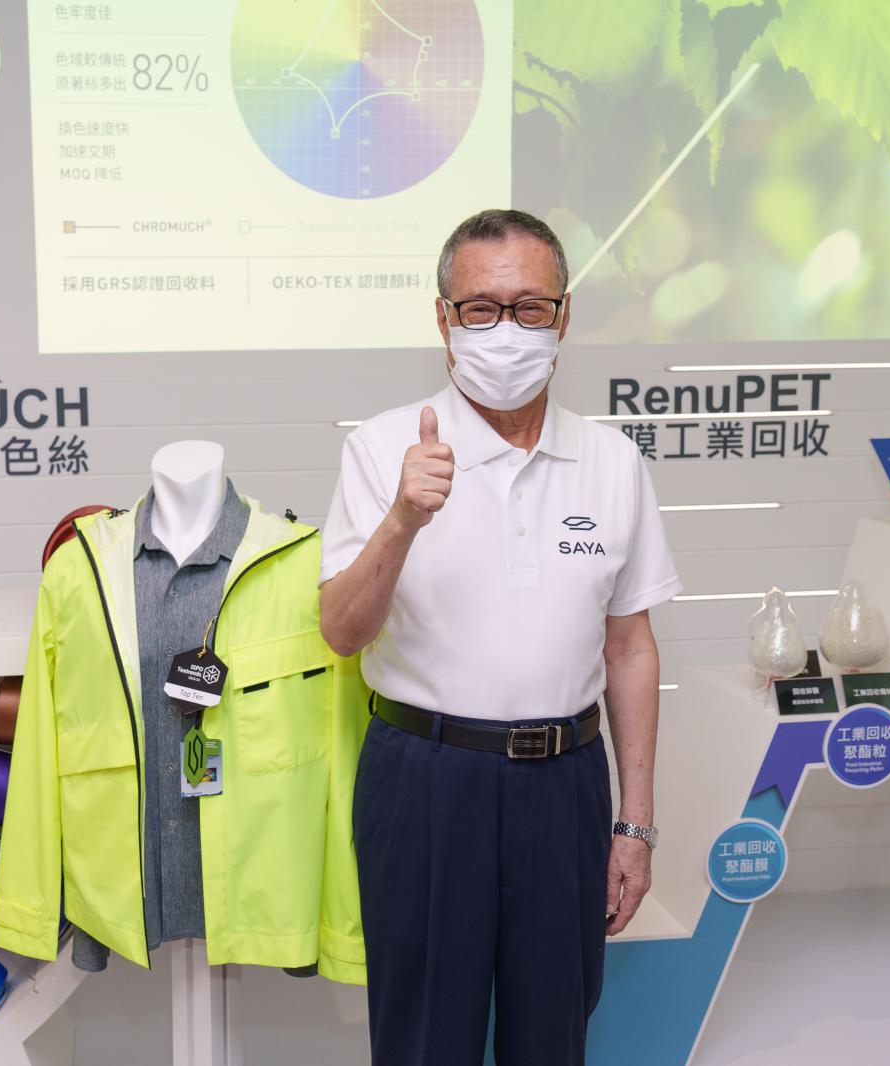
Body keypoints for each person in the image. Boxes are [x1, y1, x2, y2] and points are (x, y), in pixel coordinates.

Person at [318, 208, 681, 1065]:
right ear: (444, 320)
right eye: (481, 309)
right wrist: (403, 519)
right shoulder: (382, 448)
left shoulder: (612, 461)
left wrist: (636, 824)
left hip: (565, 784)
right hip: (425, 780)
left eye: (530, 307)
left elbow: (630, 648)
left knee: (553, 1032)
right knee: (423, 1040)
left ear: (564, 316)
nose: (506, 330)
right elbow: (340, 631)